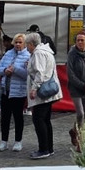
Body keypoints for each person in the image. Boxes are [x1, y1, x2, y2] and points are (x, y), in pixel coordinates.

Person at [26, 31, 62, 159]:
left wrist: (34, 89)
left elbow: (40, 73)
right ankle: (49, 147)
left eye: (27, 45)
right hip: (49, 90)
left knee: (38, 119)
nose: (26, 47)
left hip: (43, 91)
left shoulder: (38, 53)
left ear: (31, 44)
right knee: (45, 120)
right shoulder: (46, 51)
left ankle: (44, 149)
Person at [0, 32, 30, 151]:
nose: (17, 44)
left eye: (20, 42)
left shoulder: (28, 56)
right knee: (5, 118)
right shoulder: (8, 54)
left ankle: (18, 141)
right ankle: (4, 141)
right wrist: (5, 70)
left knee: (18, 117)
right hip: (6, 90)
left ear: (25, 44)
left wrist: (15, 69)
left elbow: (27, 75)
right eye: (16, 42)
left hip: (19, 92)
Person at [66, 30, 85, 127]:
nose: (79, 42)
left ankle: (76, 130)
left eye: (82, 40)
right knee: (80, 113)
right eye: (78, 40)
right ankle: (79, 136)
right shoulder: (72, 54)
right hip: (76, 88)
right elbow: (70, 73)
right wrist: (81, 85)